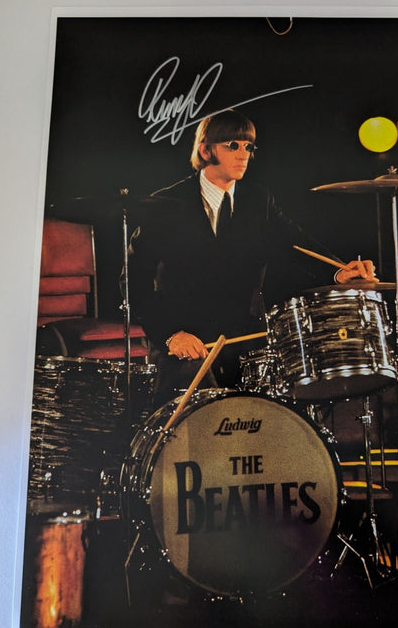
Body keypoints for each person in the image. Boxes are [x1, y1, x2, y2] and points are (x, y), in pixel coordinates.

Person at [126, 109, 377, 407]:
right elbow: (132, 280)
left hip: (243, 337)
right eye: (232, 145)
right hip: (185, 341)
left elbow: (295, 243)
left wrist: (337, 270)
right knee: (196, 422)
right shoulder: (165, 204)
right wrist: (170, 335)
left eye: (248, 146)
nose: (243, 154)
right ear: (205, 150)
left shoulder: (259, 200)